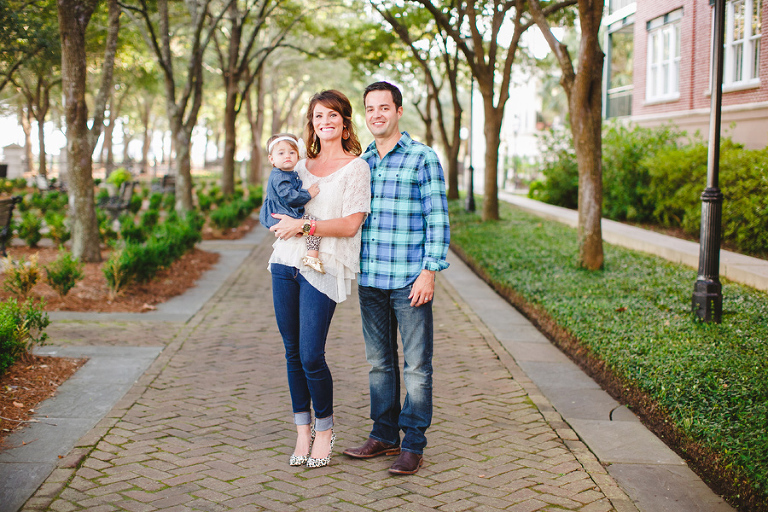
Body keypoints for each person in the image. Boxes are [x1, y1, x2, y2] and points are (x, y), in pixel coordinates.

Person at [343, 81, 450, 475]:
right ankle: (384, 435)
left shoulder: (423, 158)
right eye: (370, 109)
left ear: (398, 111)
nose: (376, 115)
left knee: (418, 366)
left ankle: (414, 444)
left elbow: (436, 218)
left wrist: (430, 271)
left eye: (384, 108)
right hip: (371, 279)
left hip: (409, 280)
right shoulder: (361, 163)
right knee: (379, 364)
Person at [267, 90, 371, 468]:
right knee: (292, 352)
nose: (324, 122)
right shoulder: (298, 165)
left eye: (332, 115)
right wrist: (280, 222)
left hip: (323, 266)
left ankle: (325, 429)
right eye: (317, 116)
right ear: (311, 124)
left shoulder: (356, 167)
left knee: (312, 354)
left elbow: (350, 223)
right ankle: (301, 430)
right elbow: (279, 205)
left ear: (344, 122)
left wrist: (303, 224)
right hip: (285, 263)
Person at [259, 133, 325, 273]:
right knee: (312, 223)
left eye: (292, 152)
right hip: (280, 212)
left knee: (307, 224)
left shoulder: (286, 173)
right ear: (272, 159)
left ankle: (300, 234)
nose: (287, 156)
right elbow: (290, 196)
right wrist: (308, 194)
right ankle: (312, 256)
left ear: (298, 156)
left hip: (281, 210)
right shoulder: (279, 177)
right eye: (281, 153)